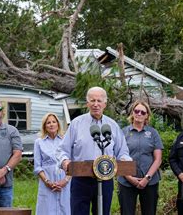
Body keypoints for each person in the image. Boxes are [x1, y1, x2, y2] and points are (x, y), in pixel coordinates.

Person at [56, 86, 131, 215]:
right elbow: (62, 150)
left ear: (105, 104)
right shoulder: (76, 123)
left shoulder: (112, 125)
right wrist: (65, 161)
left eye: (99, 101)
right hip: (81, 179)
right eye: (92, 100)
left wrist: (124, 160)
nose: (96, 104)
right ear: (87, 103)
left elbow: (123, 152)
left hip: (106, 178)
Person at [118, 101, 163, 215]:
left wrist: (146, 178)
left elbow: (158, 159)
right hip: (126, 181)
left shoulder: (153, 133)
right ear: (132, 113)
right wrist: (129, 178)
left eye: (143, 112)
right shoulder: (123, 132)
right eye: (136, 111)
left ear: (147, 115)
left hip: (149, 181)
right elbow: (118, 157)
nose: (139, 114)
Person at [34, 113, 71, 215]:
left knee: (65, 208)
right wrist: (47, 181)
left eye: (54, 122)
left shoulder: (65, 140)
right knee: (46, 209)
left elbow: (72, 164)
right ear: (44, 126)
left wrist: (65, 180)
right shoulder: (39, 142)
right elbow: (37, 167)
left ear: (58, 124)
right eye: (48, 122)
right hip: (47, 181)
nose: (51, 124)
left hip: (65, 181)